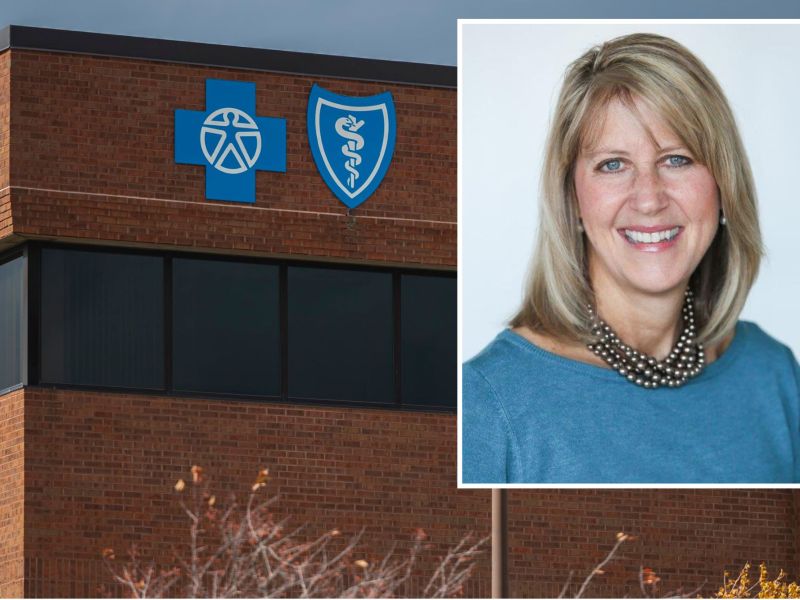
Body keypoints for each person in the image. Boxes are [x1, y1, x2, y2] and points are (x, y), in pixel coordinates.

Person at [462, 33, 800, 484]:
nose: (649, 198)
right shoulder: (488, 403)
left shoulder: (774, 375)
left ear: (723, 184)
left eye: (677, 159)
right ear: (572, 199)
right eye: (613, 165)